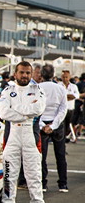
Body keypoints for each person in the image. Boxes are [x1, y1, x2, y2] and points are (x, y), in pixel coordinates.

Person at [0, 61, 47, 203]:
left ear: (31, 74)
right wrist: (26, 113)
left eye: (28, 73)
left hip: (30, 135)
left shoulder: (37, 90)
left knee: (34, 173)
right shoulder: (7, 90)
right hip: (12, 134)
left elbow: (38, 109)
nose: (25, 75)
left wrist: (17, 109)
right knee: (9, 173)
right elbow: (3, 113)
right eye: (22, 72)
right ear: (15, 74)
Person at [37, 64, 68, 193]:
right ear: (53, 74)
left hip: (41, 124)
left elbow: (34, 110)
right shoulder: (60, 88)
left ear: (41, 75)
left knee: (41, 157)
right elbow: (63, 109)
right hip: (57, 124)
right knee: (60, 155)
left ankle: (43, 184)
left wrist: (43, 125)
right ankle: (63, 184)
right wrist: (54, 125)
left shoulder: (37, 88)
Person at [61, 70, 78, 143]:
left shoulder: (73, 86)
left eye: (66, 77)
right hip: (62, 109)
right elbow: (60, 97)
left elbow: (76, 96)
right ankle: (62, 141)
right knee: (62, 127)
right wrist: (69, 97)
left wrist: (66, 97)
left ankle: (66, 137)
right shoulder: (59, 85)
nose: (65, 79)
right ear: (61, 77)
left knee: (68, 126)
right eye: (64, 77)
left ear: (69, 77)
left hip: (70, 109)